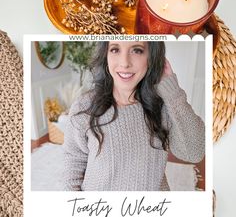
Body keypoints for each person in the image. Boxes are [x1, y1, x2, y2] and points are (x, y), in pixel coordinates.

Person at [63, 41, 205, 191]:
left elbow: (194, 153)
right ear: (105, 55)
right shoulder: (85, 107)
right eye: (115, 49)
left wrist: (174, 94)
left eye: (137, 50)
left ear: (151, 56)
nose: (124, 63)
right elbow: (73, 161)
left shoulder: (164, 105)